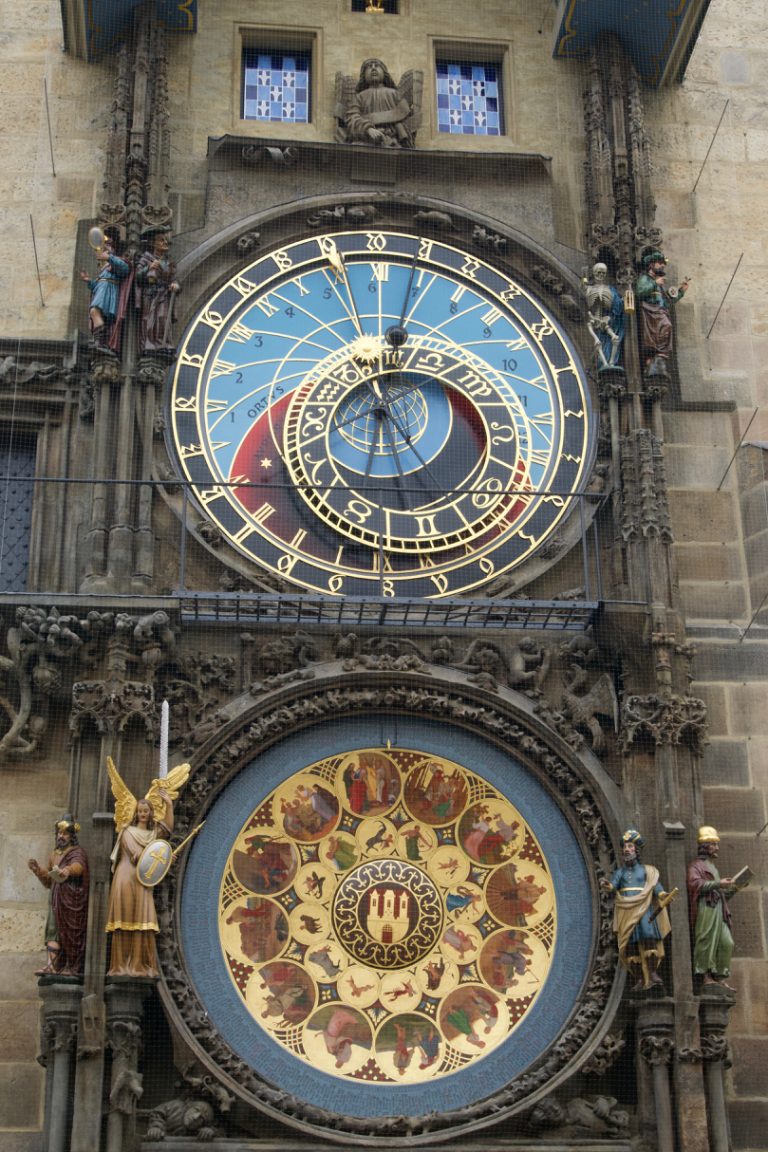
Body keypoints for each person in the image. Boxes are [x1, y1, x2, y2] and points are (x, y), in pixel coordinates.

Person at [105, 757, 189, 978]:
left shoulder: (153, 834)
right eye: (140, 811)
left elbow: (167, 830)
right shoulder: (127, 832)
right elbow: (138, 856)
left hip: (143, 881)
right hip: (127, 878)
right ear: (135, 813)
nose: (143, 814)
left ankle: (140, 965)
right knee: (123, 921)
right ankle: (121, 965)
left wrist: (168, 804)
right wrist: (158, 858)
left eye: (146, 811)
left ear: (151, 813)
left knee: (144, 921)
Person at [600, 829, 671, 990]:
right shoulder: (621, 872)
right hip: (626, 909)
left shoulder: (647, 871)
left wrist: (662, 894)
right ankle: (639, 977)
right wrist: (607, 885)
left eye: (630, 846)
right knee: (630, 944)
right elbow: (613, 886)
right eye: (625, 847)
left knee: (649, 937)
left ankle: (652, 972)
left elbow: (654, 885)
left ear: (636, 850)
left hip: (643, 908)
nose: (627, 850)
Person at [28, 814, 89, 976]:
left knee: (70, 933)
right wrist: (38, 871)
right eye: (59, 833)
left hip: (71, 901)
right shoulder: (54, 855)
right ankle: (51, 966)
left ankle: (72, 966)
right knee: (53, 930)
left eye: (65, 833)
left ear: (72, 836)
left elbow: (79, 867)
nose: (61, 836)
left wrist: (68, 870)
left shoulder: (77, 852)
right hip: (56, 900)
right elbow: (49, 881)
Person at [687, 825, 739, 989]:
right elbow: (694, 883)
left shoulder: (712, 867)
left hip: (718, 908)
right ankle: (705, 975)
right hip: (706, 907)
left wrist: (733, 887)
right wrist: (718, 883)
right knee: (706, 939)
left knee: (726, 942)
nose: (717, 848)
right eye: (713, 844)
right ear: (705, 846)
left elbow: (718, 891)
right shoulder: (696, 866)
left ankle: (720, 976)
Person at [635, 250, 689, 377]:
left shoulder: (659, 283)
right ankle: (654, 358)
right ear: (651, 265)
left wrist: (681, 291)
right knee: (666, 325)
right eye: (659, 263)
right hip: (650, 312)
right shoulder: (645, 278)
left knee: (666, 328)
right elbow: (639, 292)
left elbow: (667, 300)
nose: (662, 265)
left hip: (659, 311)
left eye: (663, 263)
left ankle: (658, 358)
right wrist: (655, 283)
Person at [339, 59, 413, 148]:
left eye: (377, 66)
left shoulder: (394, 94)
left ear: (384, 73)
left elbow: (405, 114)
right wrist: (368, 129)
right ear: (364, 76)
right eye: (369, 67)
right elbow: (352, 117)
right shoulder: (359, 97)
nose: (373, 68)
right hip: (364, 141)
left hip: (392, 141)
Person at [79, 232, 130, 353]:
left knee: (94, 311)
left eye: (108, 245)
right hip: (102, 290)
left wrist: (109, 258)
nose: (104, 248)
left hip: (109, 290)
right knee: (96, 313)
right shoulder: (103, 269)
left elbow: (125, 270)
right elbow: (97, 285)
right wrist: (88, 281)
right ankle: (100, 341)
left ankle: (100, 341)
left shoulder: (116, 261)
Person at [135, 225, 181, 355]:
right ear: (152, 243)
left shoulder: (168, 262)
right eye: (161, 240)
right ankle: (149, 344)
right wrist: (149, 268)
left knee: (162, 318)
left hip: (163, 294)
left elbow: (174, 279)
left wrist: (176, 285)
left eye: (166, 240)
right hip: (149, 295)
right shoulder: (146, 258)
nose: (165, 242)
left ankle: (163, 343)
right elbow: (137, 276)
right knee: (149, 319)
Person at [585, 262, 624, 370]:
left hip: (607, 320)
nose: (601, 275)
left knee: (615, 338)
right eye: (598, 272)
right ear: (593, 273)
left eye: (603, 273)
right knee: (599, 341)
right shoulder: (589, 289)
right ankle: (604, 363)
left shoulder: (611, 290)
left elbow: (617, 305)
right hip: (594, 320)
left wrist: (623, 300)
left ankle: (611, 362)